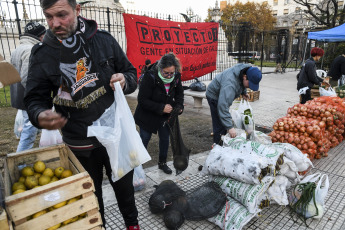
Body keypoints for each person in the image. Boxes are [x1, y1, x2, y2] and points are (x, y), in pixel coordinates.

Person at [24, 0, 139, 229]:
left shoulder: (103, 40)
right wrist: (39, 114)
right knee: (90, 197)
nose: (55, 23)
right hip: (79, 143)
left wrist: (125, 80)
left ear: (77, 10)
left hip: (115, 136)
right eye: (48, 17)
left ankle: (132, 224)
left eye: (62, 15)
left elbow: (131, 73)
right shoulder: (42, 53)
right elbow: (35, 98)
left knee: (125, 191)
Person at [134, 53, 184, 174]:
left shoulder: (176, 76)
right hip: (147, 115)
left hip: (165, 117)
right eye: (166, 73)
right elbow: (142, 100)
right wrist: (161, 107)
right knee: (144, 139)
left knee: (165, 139)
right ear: (160, 68)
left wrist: (179, 107)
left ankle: (162, 163)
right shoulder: (150, 76)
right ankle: (137, 167)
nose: (169, 75)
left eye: (171, 73)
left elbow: (179, 95)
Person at [10, 22, 46, 152]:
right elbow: (27, 78)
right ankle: (21, 160)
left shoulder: (18, 49)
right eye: (44, 35)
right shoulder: (30, 50)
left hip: (19, 95)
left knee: (32, 125)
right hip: (28, 98)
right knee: (29, 131)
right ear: (40, 35)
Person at [206, 64, 262, 144]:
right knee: (219, 123)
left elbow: (241, 83)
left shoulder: (245, 70)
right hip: (214, 96)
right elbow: (222, 106)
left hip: (223, 95)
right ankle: (217, 146)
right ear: (245, 77)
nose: (249, 87)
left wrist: (243, 92)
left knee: (224, 121)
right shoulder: (230, 84)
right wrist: (230, 127)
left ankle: (224, 137)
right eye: (250, 84)